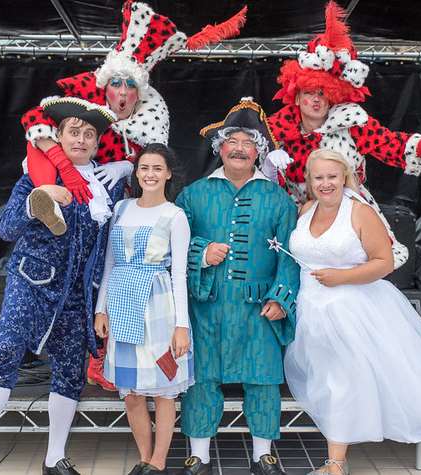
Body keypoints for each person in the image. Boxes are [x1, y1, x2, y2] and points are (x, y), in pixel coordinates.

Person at [19, 0, 247, 390]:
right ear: (105, 84)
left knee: (104, 281)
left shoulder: (152, 118)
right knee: (77, 279)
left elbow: (154, 164)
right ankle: (67, 349)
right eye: (116, 83)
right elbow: (34, 119)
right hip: (76, 201)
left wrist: (130, 164)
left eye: (130, 85)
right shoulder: (82, 107)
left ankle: (103, 356)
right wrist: (58, 157)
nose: (122, 92)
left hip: (124, 215)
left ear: (139, 90)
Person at [0, 97, 124, 475]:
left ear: (97, 143)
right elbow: (5, 228)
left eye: (89, 135)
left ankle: (54, 458)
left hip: (78, 292)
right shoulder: (37, 176)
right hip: (31, 281)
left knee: (70, 371)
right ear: (59, 137)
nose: (81, 140)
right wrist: (38, 202)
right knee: (5, 356)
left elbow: (110, 247)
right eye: (73, 132)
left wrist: (102, 302)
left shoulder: (107, 185)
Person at [283, 149, 421, 475]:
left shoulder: (360, 212)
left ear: (344, 176)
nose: (326, 183)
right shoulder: (305, 210)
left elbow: (384, 263)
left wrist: (341, 276)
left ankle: (335, 463)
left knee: (341, 381)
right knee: (324, 382)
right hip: (310, 309)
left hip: (351, 308)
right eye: (319, 177)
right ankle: (337, 455)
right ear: (309, 180)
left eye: (332, 176)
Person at [265, 2, 421, 269]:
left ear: (334, 95)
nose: (316, 101)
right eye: (310, 93)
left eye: (323, 93)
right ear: (297, 95)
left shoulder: (351, 122)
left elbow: (390, 144)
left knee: (354, 269)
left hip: (344, 211)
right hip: (295, 214)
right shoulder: (276, 129)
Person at [176, 98, 300, 475]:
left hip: (258, 307)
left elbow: (291, 255)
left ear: (259, 151)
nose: (241, 148)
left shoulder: (278, 199)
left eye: (249, 142)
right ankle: (199, 455)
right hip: (207, 305)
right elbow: (172, 246)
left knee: (262, 380)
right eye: (234, 141)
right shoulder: (193, 195)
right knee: (201, 380)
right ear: (220, 148)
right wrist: (200, 252)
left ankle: (263, 454)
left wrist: (282, 298)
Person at [94, 143, 193, 475]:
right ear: (136, 173)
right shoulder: (121, 208)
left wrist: (182, 326)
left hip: (157, 305)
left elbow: (179, 273)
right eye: (144, 168)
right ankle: (143, 456)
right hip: (122, 304)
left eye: (156, 169)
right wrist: (100, 309)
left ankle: (159, 461)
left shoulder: (174, 215)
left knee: (164, 389)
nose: (150, 174)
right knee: (132, 391)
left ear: (167, 174)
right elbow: (109, 264)